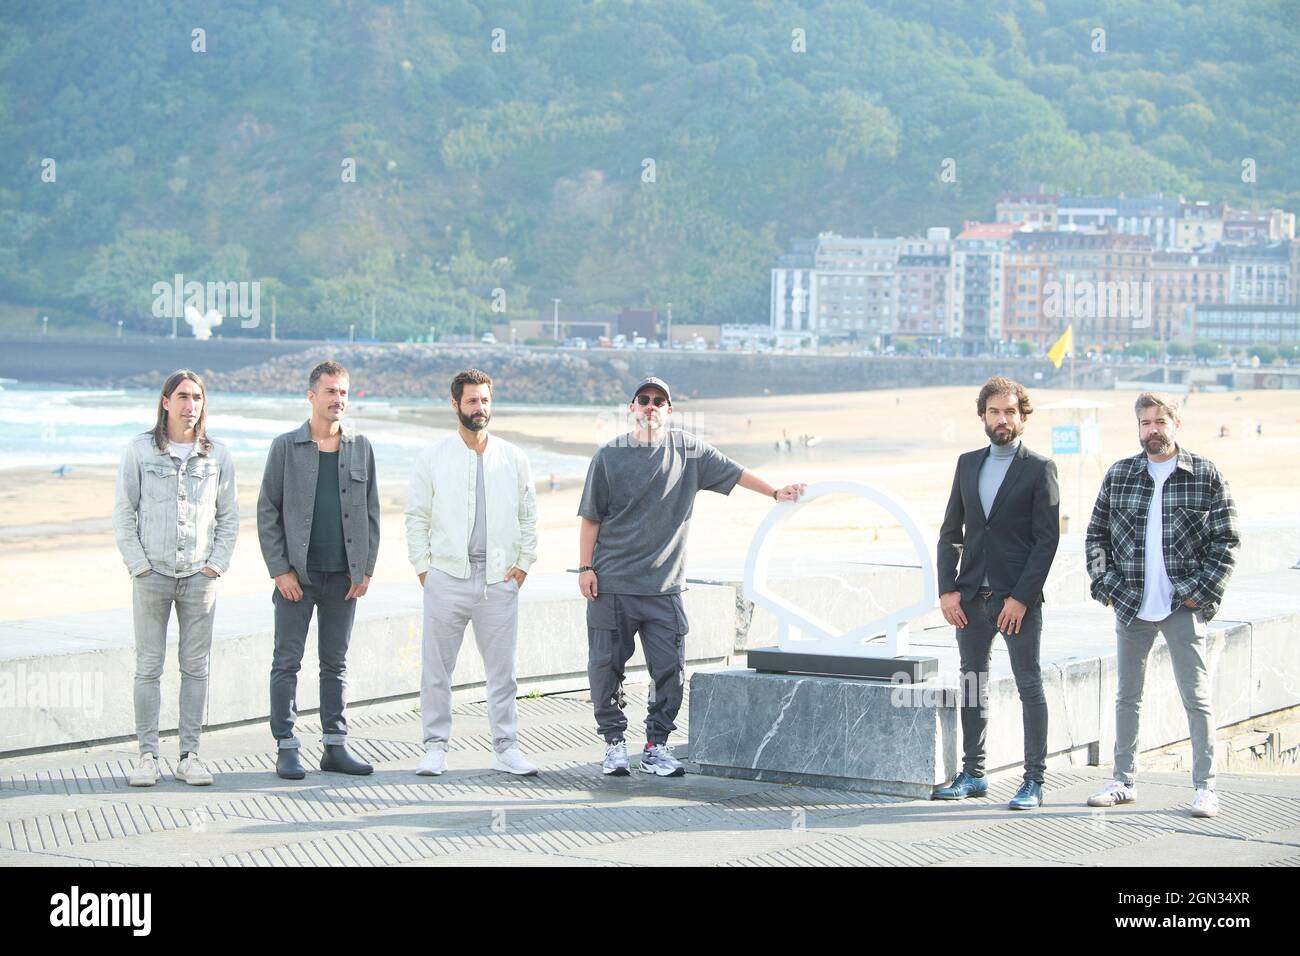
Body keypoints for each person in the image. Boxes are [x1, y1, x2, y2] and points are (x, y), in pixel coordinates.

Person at [577, 376, 805, 777]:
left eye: (659, 402)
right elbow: (591, 518)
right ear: (632, 408)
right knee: (605, 668)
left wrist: (774, 493)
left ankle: (655, 747)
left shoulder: (689, 451)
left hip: (664, 589)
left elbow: (736, 473)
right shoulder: (609, 456)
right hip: (612, 586)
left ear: (669, 411)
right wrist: (585, 568)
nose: (651, 407)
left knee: (670, 672)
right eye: (643, 400)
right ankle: (614, 744)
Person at [1085, 392, 1239, 818]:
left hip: (1182, 605)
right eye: (1145, 422)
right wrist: (1107, 585)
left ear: (1176, 424)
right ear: (1137, 428)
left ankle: (1206, 788)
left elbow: (1227, 541)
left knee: (1197, 697)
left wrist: (1199, 593)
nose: (1153, 429)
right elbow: (1095, 537)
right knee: (1126, 696)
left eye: (1160, 421)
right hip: (1131, 603)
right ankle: (1123, 780)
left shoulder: (1205, 474)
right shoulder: (1119, 475)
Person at [933, 377, 1060, 810]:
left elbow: (1047, 542)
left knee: (1029, 685)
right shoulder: (967, 463)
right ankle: (973, 774)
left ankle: (1033, 781)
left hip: (1016, 601)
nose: (1001, 419)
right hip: (969, 599)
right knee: (972, 682)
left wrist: (1021, 598)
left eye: (1009, 412)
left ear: (1022, 417)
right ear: (983, 416)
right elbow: (952, 531)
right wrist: (947, 589)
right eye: (993, 412)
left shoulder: (1040, 469)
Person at [404, 369, 539, 777]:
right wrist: (424, 569)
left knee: (503, 673)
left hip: (499, 580)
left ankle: (506, 748)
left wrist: (523, 565)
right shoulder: (432, 457)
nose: (480, 408)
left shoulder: (514, 458)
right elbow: (416, 517)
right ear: (455, 405)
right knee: (437, 671)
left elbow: (528, 516)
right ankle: (435, 748)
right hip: (446, 578)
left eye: (485, 401)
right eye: (472, 401)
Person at [112, 369, 238, 787]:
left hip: (199, 578)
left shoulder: (217, 454)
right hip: (152, 576)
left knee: (195, 668)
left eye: (198, 397)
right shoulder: (139, 450)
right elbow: (123, 513)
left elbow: (229, 517)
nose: (191, 405)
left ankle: (190, 755)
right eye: (183, 396)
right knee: (148, 668)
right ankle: (147, 756)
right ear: (165, 401)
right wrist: (139, 566)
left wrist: (215, 566)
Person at [257, 361, 380, 779]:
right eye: (330, 391)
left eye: (343, 392)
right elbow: (266, 511)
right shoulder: (285, 447)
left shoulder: (361, 446)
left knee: (336, 663)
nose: (338, 399)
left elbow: (372, 513)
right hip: (297, 577)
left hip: (344, 578)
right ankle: (287, 747)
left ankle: (335, 746)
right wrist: (280, 571)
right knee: (287, 661)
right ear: (312, 397)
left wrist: (365, 570)